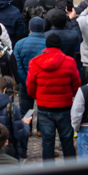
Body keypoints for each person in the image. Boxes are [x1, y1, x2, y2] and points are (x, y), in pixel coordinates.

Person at [25, 32, 79, 162]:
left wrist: (38, 97)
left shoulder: (34, 62)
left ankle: (49, 172)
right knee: (67, 140)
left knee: (47, 141)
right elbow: (76, 84)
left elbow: (30, 86)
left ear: (46, 45)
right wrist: (70, 96)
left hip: (44, 106)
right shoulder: (69, 61)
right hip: (64, 106)